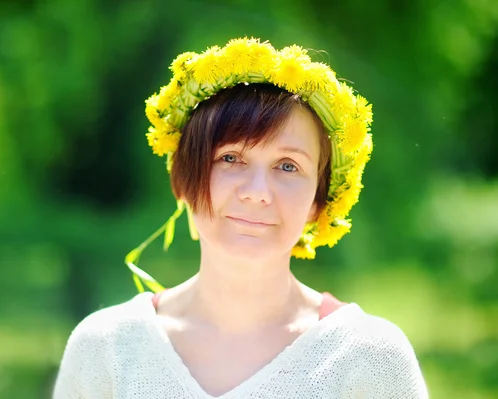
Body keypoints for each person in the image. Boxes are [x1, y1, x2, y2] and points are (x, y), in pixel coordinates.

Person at [53, 38, 429, 398]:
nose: (257, 191)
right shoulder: (107, 350)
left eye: (287, 165)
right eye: (231, 158)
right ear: (182, 180)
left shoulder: (371, 359)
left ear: (319, 200)